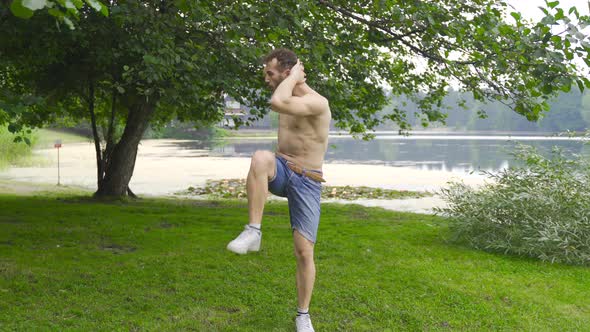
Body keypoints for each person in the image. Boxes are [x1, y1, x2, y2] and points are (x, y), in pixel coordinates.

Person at [226, 48, 331, 332]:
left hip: (308, 180)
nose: (266, 79)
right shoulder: (285, 95)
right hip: (283, 170)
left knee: (303, 252)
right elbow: (279, 99)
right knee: (260, 157)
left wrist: (295, 76)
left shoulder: (316, 102)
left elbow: (277, 101)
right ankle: (253, 231)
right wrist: (291, 78)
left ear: (287, 72)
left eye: (270, 73)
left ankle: (303, 315)